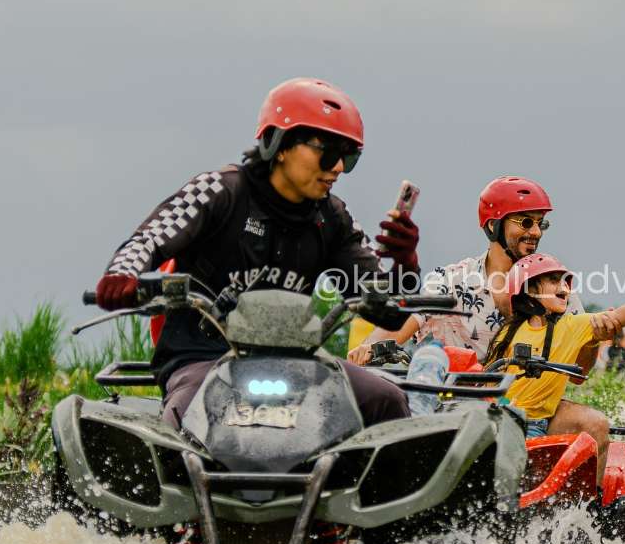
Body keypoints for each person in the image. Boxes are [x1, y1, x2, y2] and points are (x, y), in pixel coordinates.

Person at [92, 77, 420, 428]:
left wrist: (406, 262)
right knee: (182, 420)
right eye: (328, 151)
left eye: (348, 156)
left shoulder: (333, 217)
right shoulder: (219, 191)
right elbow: (150, 238)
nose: (338, 166)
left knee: (386, 398)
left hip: (299, 362)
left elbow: (390, 314)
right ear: (279, 144)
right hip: (203, 361)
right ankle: (173, 467)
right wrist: (122, 274)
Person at [347, 176, 619, 365]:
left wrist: (593, 341)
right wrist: (366, 350)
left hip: (527, 406)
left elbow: (578, 374)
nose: (536, 232)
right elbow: (403, 324)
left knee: (592, 423)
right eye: (526, 222)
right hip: (454, 405)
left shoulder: (557, 286)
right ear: (492, 225)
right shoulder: (450, 279)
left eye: (541, 223)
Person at [486, 254, 625, 447]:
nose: (564, 287)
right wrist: (502, 404)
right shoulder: (509, 333)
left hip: (534, 424)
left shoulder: (572, 326)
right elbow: (489, 384)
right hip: (500, 418)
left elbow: (615, 318)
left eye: (565, 282)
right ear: (530, 290)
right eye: (554, 281)